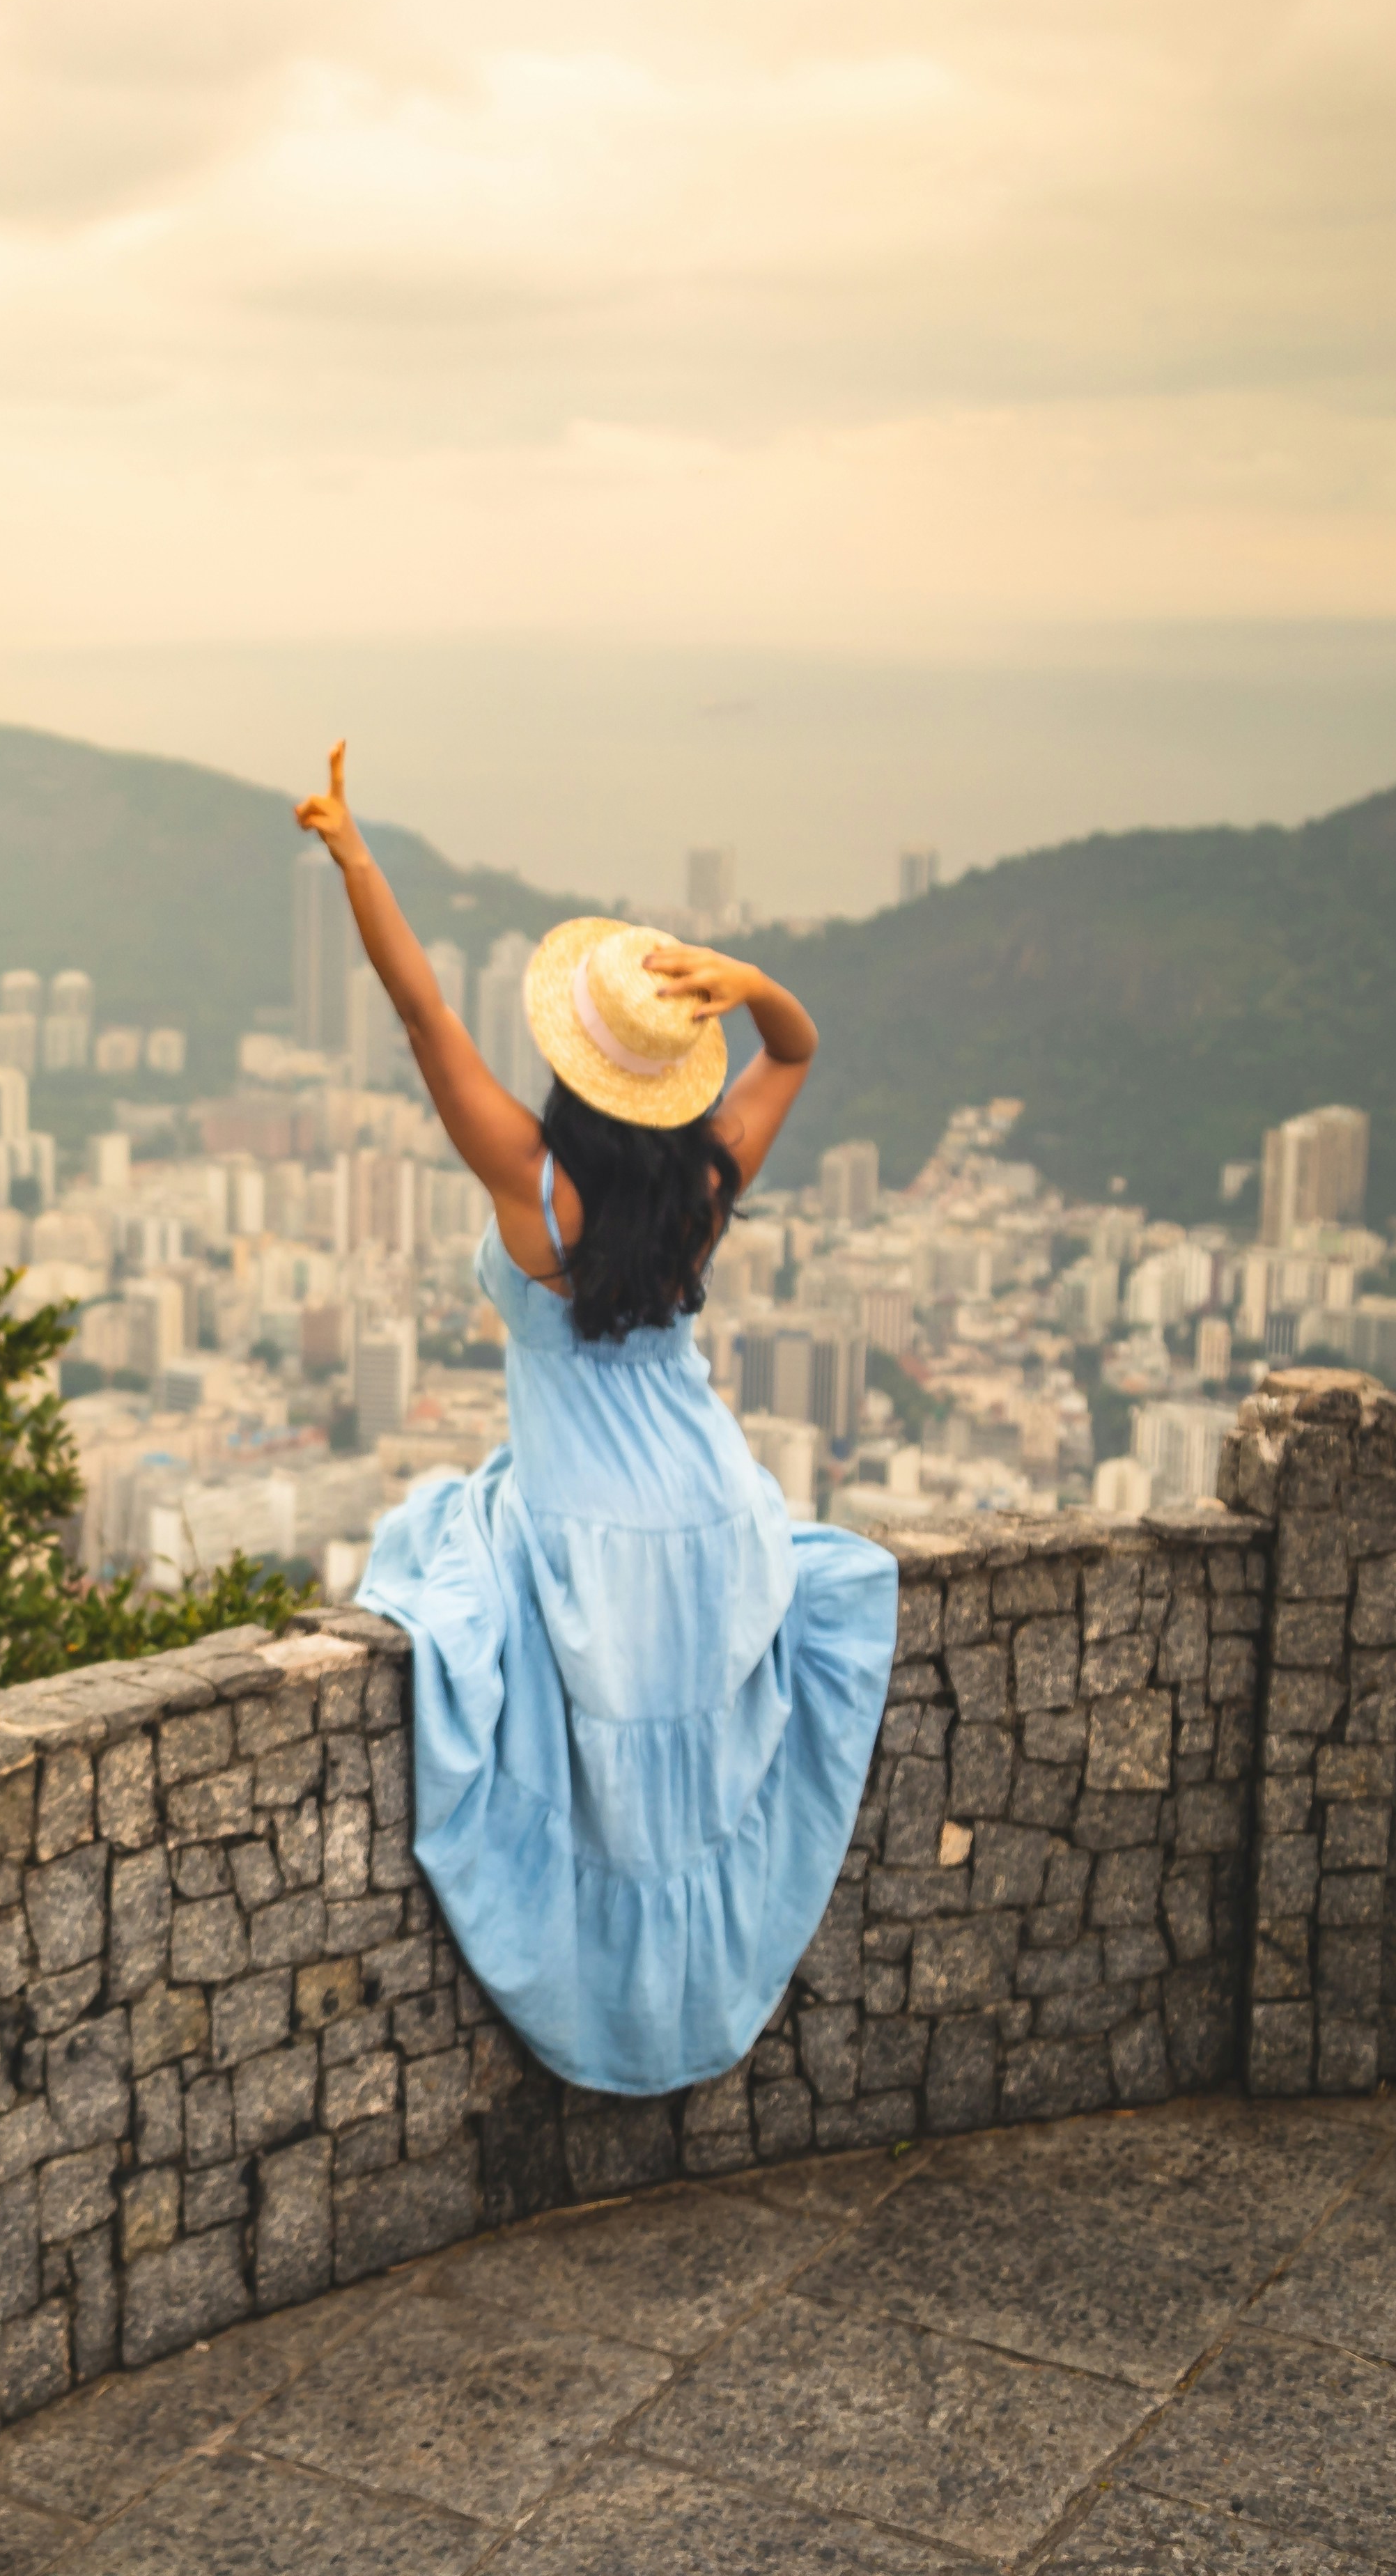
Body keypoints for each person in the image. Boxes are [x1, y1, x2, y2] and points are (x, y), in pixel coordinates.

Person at [294, 741, 895, 2096]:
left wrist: (355, 854)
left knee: (450, 1554)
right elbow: (799, 1046)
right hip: (712, 1503)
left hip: (583, 1520)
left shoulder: (534, 1182)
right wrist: (749, 987)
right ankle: (689, 2004)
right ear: (676, 1076)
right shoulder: (710, 1178)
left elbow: (417, 1011)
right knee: (683, 1795)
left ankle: (614, 2011)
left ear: (575, 1066)